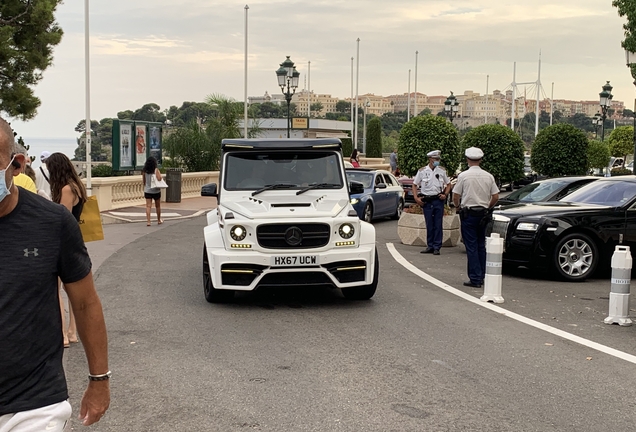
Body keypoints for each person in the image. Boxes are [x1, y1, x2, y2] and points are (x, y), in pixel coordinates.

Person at [0, 117, 109, 429]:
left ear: (16, 164)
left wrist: (99, 380)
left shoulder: (52, 222)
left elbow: (86, 303)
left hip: (34, 406)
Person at [47, 152, 90, 347]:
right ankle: (73, 331)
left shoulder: (65, 189)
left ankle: (63, 333)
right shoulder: (77, 187)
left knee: (56, 289)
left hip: (62, 243)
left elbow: (61, 220)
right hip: (76, 240)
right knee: (73, 289)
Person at [452, 147, 499, 288]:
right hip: (483, 214)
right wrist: (488, 207)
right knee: (481, 245)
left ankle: (475, 278)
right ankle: (483, 275)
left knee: (471, 246)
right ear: (481, 159)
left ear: (467, 159)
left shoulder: (464, 176)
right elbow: (495, 196)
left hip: (469, 213)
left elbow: (456, 195)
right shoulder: (488, 176)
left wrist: (458, 206)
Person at [412, 150, 451, 255]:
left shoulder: (441, 171)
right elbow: (415, 185)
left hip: (438, 199)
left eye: (438, 159)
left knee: (438, 224)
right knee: (429, 223)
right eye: (435, 159)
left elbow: (448, 184)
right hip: (427, 200)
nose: (437, 161)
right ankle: (430, 245)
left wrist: (445, 194)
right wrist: (416, 198)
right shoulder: (422, 171)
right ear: (430, 159)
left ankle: (437, 246)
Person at [142, 156, 163, 226]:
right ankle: (159, 220)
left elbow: (144, 182)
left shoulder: (144, 171)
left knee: (148, 206)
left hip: (147, 190)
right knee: (158, 206)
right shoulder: (156, 170)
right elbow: (159, 179)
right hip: (156, 190)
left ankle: (148, 221)